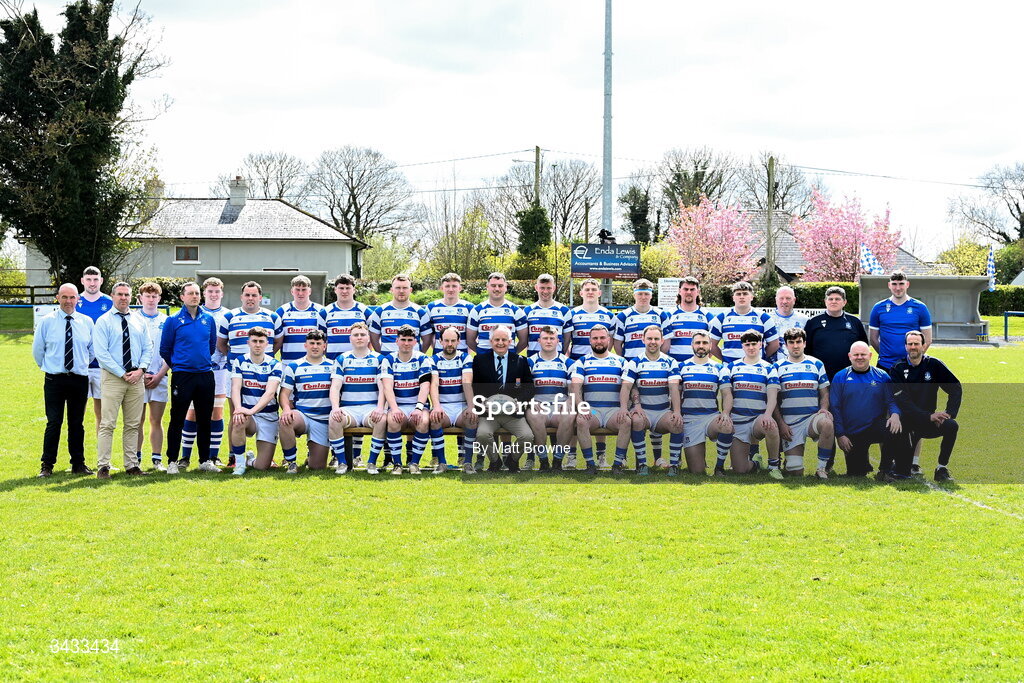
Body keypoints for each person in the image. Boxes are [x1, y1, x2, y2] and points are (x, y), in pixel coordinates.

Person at [33, 283, 95, 477]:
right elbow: (38, 350)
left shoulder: (86, 322)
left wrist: (80, 365)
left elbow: (92, 351)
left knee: (77, 423)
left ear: (78, 299)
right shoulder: (47, 321)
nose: (69, 301)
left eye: (72, 297)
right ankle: (47, 465)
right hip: (54, 380)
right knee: (54, 422)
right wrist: (51, 367)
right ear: (58, 298)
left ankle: (78, 463)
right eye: (65, 297)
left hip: (78, 379)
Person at [93, 281, 153, 479]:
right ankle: (103, 466)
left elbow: (147, 347)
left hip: (136, 378)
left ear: (131, 297)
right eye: (120, 294)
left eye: (127, 294)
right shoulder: (103, 321)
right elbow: (101, 353)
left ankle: (131, 465)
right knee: (107, 423)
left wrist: (141, 370)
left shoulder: (139, 320)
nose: (123, 298)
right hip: (113, 378)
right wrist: (121, 373)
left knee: (133, 424)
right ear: (112, 296)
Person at [160, 282, 218, 474]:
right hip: (182, 376)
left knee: (204, 419)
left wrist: (199, 362)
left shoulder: (208, 319)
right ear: (182, 297)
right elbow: (165, 349)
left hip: (205, 375)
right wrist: (179, 365)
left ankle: (204, 460)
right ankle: (172, 461)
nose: (194, 296)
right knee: (177, 419)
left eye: (196, 293)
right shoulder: (173, 320)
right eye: (190, 293)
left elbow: (211, 346)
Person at [888, 330, 962, 481]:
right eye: (910, 344)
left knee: (951, 425)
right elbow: (904, 402)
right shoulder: (897, 369)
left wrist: (949, 413)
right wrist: (928, 416)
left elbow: (955, 388)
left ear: (923, 346)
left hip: (929, 421)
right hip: (906, 423)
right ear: (905, 347)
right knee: (902, 474)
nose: (913, 347)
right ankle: (900, 463)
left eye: (916, 344)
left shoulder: (934, 365)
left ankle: (942, 468)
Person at [830, 341, 910, 479]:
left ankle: (886, 469)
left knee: (895, 428)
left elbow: (891, 401)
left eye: (863, 354)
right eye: (856, 355)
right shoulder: (840, 377)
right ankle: (863, 462)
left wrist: (895, 414)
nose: (859, 357)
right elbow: (835, 408)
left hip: (874, 427)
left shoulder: (882, 376)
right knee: (856, 474)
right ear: (849, 356)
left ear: (870, 355)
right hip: (852, 433)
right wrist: (840, 434)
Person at [613, 279, 670, 467]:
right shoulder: (623, 316)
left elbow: (666, 343)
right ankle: (630, 457)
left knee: (654, 409)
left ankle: (657, 457)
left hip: (655, 370)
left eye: (646, 293)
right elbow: (617, 344)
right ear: (634, 294)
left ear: (651, 295)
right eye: (640, 293)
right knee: (633, 415)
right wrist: (630, 365)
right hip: (632, 371)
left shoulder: (662, 314)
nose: (643, 296)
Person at [664, 276, 717, 470]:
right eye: (685, 289)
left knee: (691, 410)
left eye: (692, 289)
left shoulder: (707, 316)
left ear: (698, 292)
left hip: (700, 372)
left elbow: (712, 343)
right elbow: (666, 345)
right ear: (679, 291)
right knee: (672, 411)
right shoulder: (669, 315)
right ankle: (668, 458)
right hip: (676, 372)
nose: (688, 292)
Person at [179, 277, 231, 467]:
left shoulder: (228, 315)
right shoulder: (197, 313)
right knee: (191, 413)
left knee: (216, 413)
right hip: (196, 370)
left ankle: (213, 456)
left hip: (220, 371)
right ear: (204, 293)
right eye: (210, 291)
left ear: (222, 293)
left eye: (217, 291)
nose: (214, 294)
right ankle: (185, 456)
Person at [469, 325, 535, 472]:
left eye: (504, 339)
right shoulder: (479, 361)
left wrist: (519, 402)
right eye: (497, 339)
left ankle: (512, 460)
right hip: (489, 413)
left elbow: (529, 387)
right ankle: (495, 461)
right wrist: (482, 401)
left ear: (510, 341)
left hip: (513, 413)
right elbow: (474, 386)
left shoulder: (520, 361)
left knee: (527, 437)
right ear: (491, 341)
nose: (500, 343)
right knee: (482, 435)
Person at [620, 326, 683, 476]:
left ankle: (674, 465)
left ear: (662, 341)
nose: (652, 342)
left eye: (656, 339)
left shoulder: (670, 362)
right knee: (636, 421)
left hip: (662, 412)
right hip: (645, 411)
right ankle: (642, 464)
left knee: (677, 422)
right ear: (643, 340)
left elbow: (674, 389)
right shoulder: (635, 362)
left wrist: (677, 412)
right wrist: (624, 408)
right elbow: (626, 387)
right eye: (649, 338)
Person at [774, 327, 835, 480]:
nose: (795, 345)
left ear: (804, 343)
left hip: (811, 418)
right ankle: (787, 462)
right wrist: (781, 424)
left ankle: (821, 468)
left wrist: (823, 409)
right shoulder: (777, 367)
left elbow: (824, 392)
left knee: (827, 423)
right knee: (795, 471)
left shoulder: (816, 364)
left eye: (799, 342)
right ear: (785, 345)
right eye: (791, 342)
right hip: (790, 423)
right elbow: (773, 400)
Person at [327, 322, 387, 474]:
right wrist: (335, 408)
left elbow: (383, 387)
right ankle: (342, 463)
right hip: (349, 409)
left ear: (368, 338)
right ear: (350, 339)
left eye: (362, 335)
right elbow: (335, 387)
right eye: (355, 335)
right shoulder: (342, 359)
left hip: (370, 409)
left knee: (382, 419)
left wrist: (380, 408)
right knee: (334, 418)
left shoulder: (379, 359)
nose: (359, 338)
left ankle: (371, 463)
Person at [570, 325, 630, 473]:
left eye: (602, 338)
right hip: (594, 411)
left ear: (608, 339)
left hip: (613, 411)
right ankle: (591, 464)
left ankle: (617, 464)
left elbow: (629, 387)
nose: (599, 341)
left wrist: (624, 408)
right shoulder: (582, 362)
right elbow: (575, 387)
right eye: (595, 338)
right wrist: (581, 407)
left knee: (626, 421)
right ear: (590, 341)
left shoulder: (621, 361)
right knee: (581, 420)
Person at [722, 331, 782, 477]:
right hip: (738, 422)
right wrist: (725, 413)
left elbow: (772, 395)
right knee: (740, 470)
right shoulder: (731, 367)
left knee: (771, 424)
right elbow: (727, 395)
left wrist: (768, 415)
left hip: (758, 420)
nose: (751, 347)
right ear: (742, 346)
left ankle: (773, 467)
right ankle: (756, 463)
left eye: (754, 344)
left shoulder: (769, 368)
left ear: (760, 344)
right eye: (747, 344)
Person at [379, 325, 434, 474]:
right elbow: (387, 387)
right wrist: (395, 408)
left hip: (417, 405)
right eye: (403, 340)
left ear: (415, 342)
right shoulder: (388, 359)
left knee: (423, 422)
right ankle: (397, 464)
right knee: (393, 420)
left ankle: (414, 463)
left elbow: (425, 386)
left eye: (410, 340)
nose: (406, 343)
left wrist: (418, 408)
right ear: (397, 341)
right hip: (398, 405)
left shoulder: (423, 359)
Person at [228, 327, 283, 475]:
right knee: (238, 419)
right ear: (248, 342)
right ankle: (239, 465)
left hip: (268, 417)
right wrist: (239, 408)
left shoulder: (275, 364)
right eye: (254, 341)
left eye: (261, 341)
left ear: (267, 344)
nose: (257, 344)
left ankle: (250, 460)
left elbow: (270, 392)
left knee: (262, 467)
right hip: (248, 416)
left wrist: (251, 410)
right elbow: (235, 388)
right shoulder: (240, 361)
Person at [278, 329, 334, 473]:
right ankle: (291, 462)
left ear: (324, 346)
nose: (315, 346)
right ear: (305, 345)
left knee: (317, 467)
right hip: (302, 416)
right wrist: (286, 410)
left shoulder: (333, 366)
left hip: (323, 420)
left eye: (318, 343)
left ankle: (312, 455)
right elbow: (284, 394)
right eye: (311, 343)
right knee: (286, 420)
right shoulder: (294, 366)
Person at [678, 331, 734, 475]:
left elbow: (727, 394)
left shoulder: (720, 368)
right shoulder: (681, 367)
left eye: (704, 343)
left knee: (727, 425)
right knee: (697, 471)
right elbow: (676, 394)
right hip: (690, 420)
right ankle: (698, 460)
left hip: (711, 417)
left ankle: (719, 467)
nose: (701, 346)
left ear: (710, 345)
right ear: (692, 345)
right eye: (698, 343)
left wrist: (726, 413)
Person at [427, 327, 478, 474]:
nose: (450, 344)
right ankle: (441, 463)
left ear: (458, 342)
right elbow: (434, 384)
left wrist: (471, 406)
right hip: (444, 407)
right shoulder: (433, 359)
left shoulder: (465, 358)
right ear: (440, 341)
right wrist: (436, 406)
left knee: (472, 419)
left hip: (461, 406)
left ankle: (468, 463)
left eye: (453, 341)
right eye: (447, 340)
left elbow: (466, 382)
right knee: (435, 419)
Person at [525, 326, 575, 471]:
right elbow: (523, 387)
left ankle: (558, 461)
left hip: (560, 405)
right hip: (539, 405)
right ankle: (543, 460)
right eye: (545, 338)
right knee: (533, 415)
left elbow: (574, 388)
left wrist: (569, 401)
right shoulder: (530, 362)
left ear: (558, 341)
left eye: (552, 338)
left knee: (570, 414)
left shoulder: (568, 363)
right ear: (539, 340)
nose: (548, 341)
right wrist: (530, 400)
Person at [869, 270, 932, 371]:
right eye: (894, 284)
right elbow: (873, 339)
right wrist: (886, 354)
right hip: (885, 365)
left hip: (912, 365)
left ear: (907, 284)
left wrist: (914, 357)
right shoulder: (878, 307)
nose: (898, 288)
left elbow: (927, 340)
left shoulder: (920, 307)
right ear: (889, 285)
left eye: (901, 284)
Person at [136, 281, 170, 471]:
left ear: (159, 298)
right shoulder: (133, 319)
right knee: (137, 421)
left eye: (154, 296)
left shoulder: (166, 321)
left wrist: (159, 375)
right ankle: (136, 459)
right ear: (140, 298)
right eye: (147, 296)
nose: (151, 299)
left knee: (156, 420)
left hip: (160, 377)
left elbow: (171, 352)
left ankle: (157, 459)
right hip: (137, 378)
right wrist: (140, 373)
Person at [76, 266, 112, 431]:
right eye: (88, 280)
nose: (92, 283)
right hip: (80, 366)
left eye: (95, 279)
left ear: (101, 281)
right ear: (82, 281)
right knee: (77, 415)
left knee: (102, 415)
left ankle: (101, 455)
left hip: (102, 367)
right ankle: (77, 454)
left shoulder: (110, 303)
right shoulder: (75, 301)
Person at [804, 286, 868, 380]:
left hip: (849, 376)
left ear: (844, 302)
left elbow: (863, 347)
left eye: (837, 299)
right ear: (825, 301)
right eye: (830, 299)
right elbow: (806, 349)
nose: (833, 301)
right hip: (821, 375)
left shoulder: (854, 322)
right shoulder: (813, 322)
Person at [710, 281, 779, 363]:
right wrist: (725, 359)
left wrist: (760, 358)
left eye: (745, 294)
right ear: (733, 298)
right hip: (729, 370)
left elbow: (774, 344)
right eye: (738, 294)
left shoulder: (764, 318)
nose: (741, 297)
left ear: (751, 297)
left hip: (756, 370)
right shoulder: (721, 318)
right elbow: (711, 344)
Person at [369, 274, 432, 355]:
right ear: (391, 290)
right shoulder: (380, 311)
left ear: (410, 290)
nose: (401, 291)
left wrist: (418, 355)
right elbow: (374, 338)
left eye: (405, 288)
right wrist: (382, 356)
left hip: (413, 363)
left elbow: (427, 339)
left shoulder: (420, 312)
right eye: (398, 288)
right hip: (388, 363)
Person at [467, 271, 527, 353]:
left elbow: (523, 341)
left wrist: (511, 355)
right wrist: (482, 355)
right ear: (487, 287)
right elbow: (470, 340)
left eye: (500, 286)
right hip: (484, 362)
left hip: (508, 362)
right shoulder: (477, 310)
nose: (497, 289)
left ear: (506, 287)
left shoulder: (516, 311)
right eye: (493, 286)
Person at [275, 275, 328, 362]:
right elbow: (276, 339)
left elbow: (326, 338)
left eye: (304, 290)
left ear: (310, 291)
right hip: (288, 364)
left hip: (313, 364)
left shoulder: (321, 311)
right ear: (292, 291)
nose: (300, 293)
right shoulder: (282, 311)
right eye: (297, 289)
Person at [566, 278, 614, 361]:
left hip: (600, 362)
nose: (590, 292)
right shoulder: (572, 314)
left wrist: (602, 356)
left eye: (594, 289)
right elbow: (566, 340)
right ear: (581, 293)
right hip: (576, 362)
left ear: (599, 293)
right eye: (587, 289)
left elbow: (612, 340)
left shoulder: (609, 316)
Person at [525, 274, 571, 357]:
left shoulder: (564, 311)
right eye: (542, 288)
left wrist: (559, 356)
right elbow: (524, 339)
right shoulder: (528, 311)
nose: (545, 291)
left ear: (554, 288)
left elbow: (567, 339)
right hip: (533, 362)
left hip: (557, 363)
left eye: (549, 288)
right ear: (536, 288)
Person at [426, 273, 473, 353]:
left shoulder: (469, 307)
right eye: (447, 286)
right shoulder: (432, 307)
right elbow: (428, 334)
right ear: (442, 288)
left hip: (462, 358)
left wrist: (466, 353)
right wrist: (438, 349)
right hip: (439, 358)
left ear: (460, 288)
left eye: (454, 286)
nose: (451, 289)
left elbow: (474, 336)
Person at [768, 286, 808, 363]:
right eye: (781, 298)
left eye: (788, 298)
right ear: (776, 300)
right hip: (771, 367)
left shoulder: (804, 320)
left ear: (794, 300)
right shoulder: (767, 319)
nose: (784, 301)